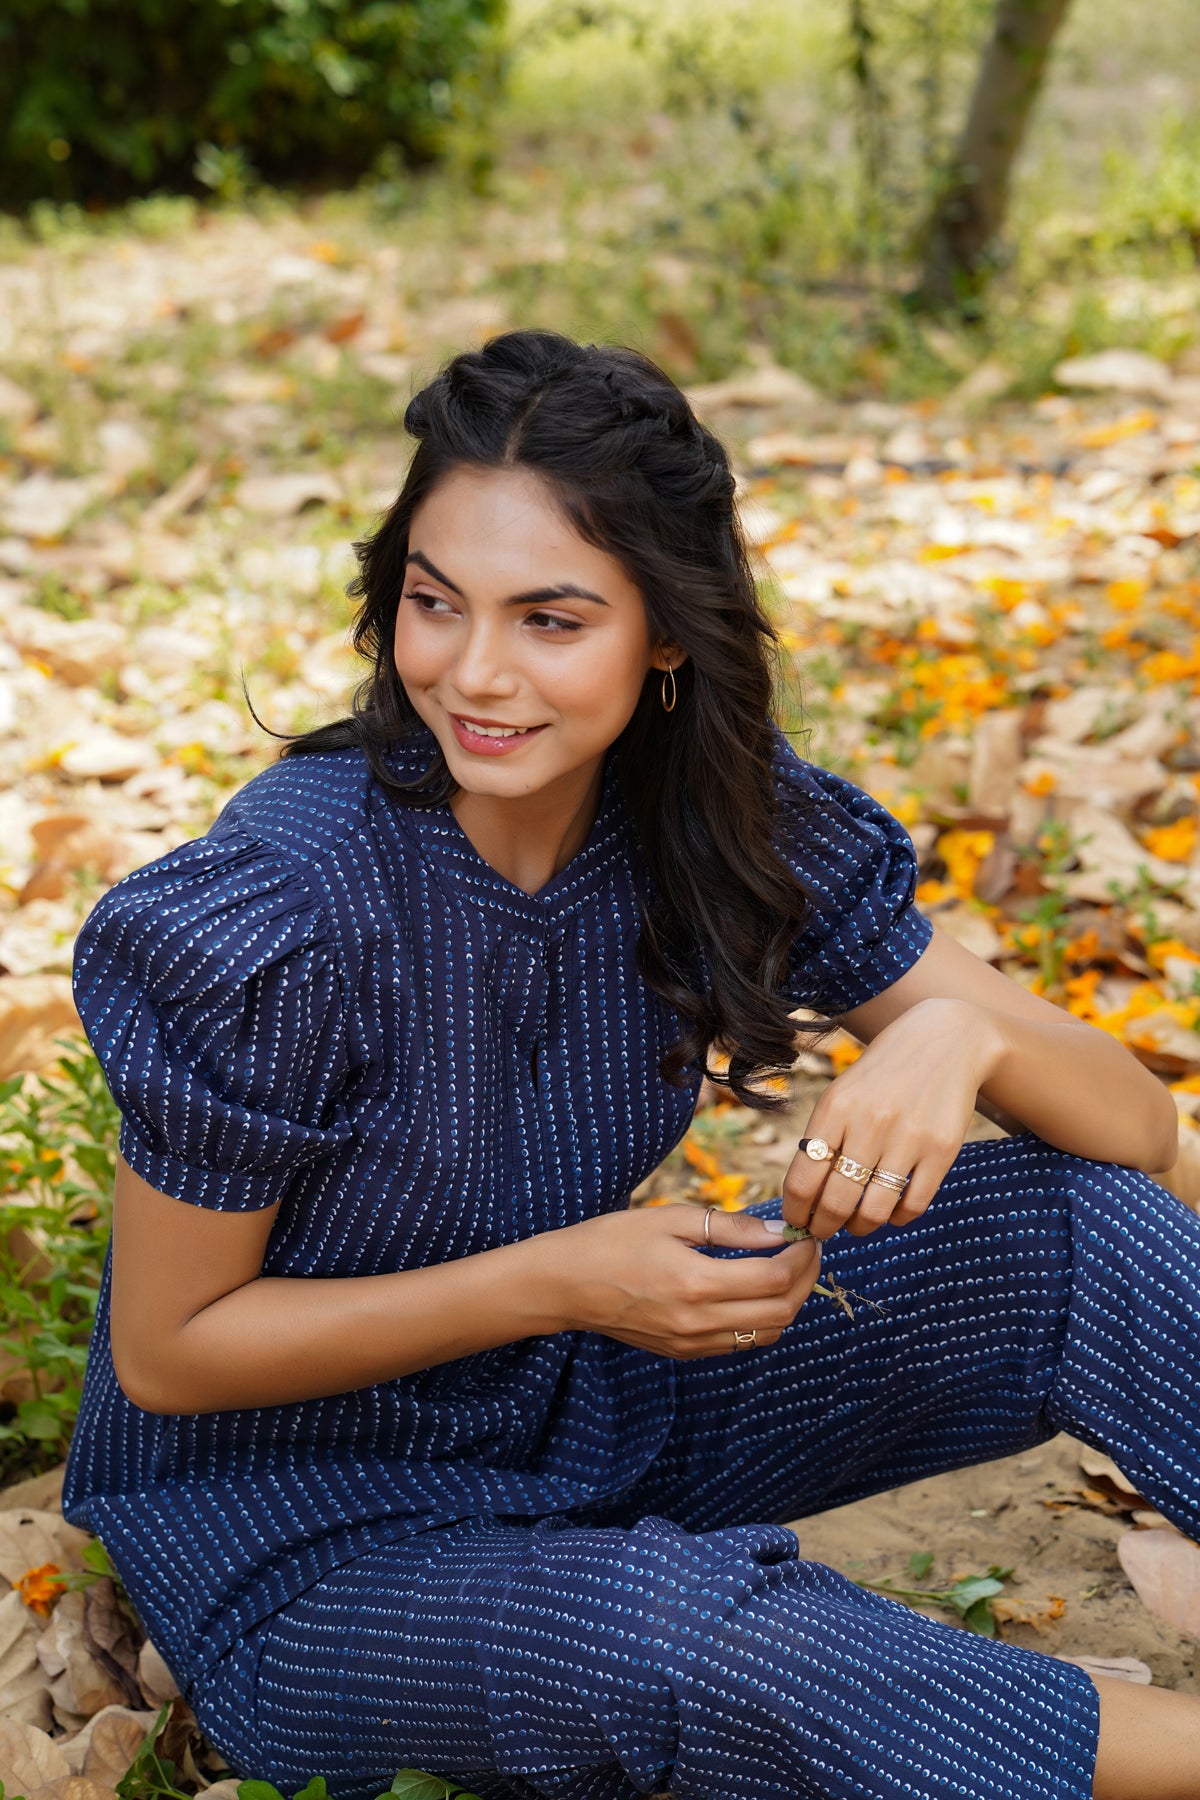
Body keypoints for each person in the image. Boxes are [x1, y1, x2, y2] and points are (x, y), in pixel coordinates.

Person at [64, 328, 1200, 1800]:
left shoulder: (708, 825)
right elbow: (169, 1351)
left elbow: (1133, 1128)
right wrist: (567, 1280)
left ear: (667, 630)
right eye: (434, 602)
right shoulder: (281, 916)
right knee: (667, 1642)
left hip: (587, 1412)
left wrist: (959, 1028)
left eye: (551, 620)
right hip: (303, 1547)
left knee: (1076, 1229)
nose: (475, 673)